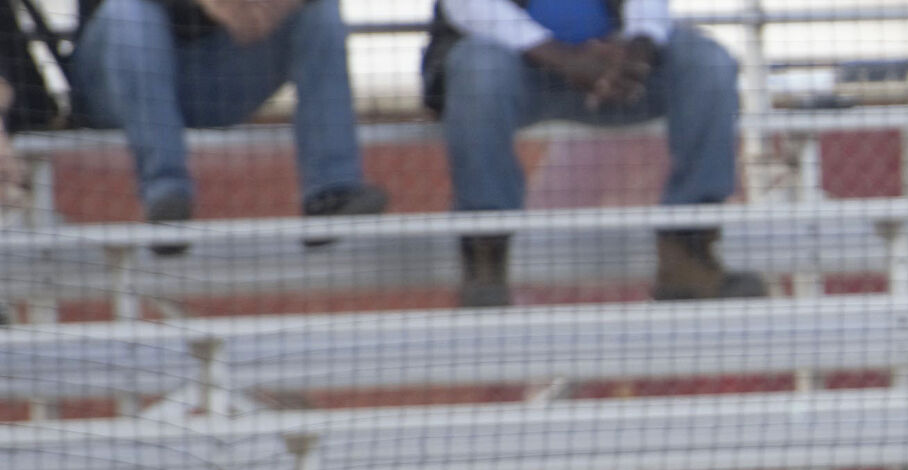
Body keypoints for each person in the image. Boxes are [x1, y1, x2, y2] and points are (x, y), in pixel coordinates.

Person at [421, 0, 764, 306]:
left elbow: (649, 10)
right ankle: (486, 258)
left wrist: (636, 53)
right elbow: (471, 8)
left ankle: (690, 252)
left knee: (708, 62)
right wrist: (566, 59)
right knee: (478, 64)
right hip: (518, 76)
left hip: (617, 71)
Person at [66, 0, 388, 240]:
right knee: (128, 10)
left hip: (215, 79)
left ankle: (331, 193)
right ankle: (166, 200)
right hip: (117, 83)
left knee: (321, 12)